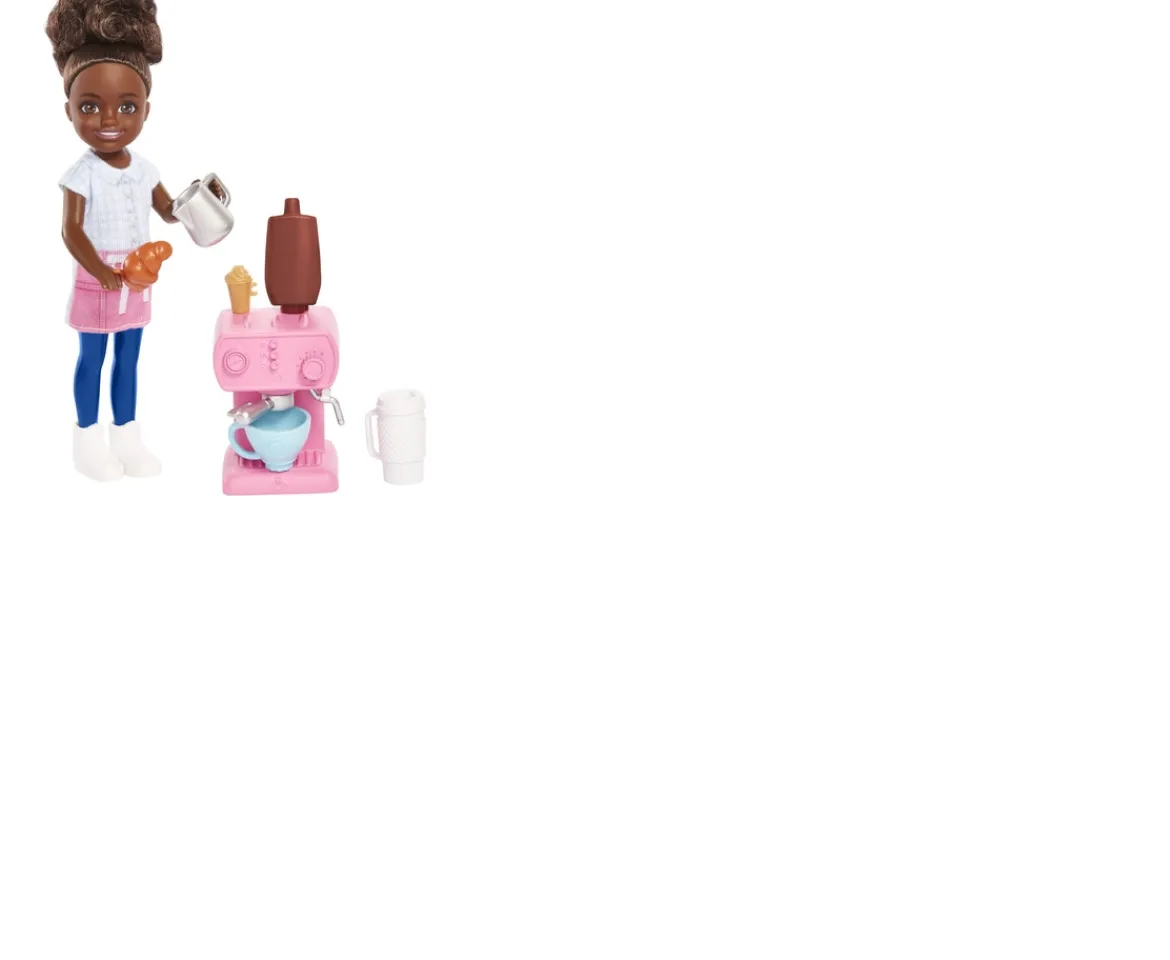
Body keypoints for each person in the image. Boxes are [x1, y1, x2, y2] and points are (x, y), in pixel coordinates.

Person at [46, 0, 222, 481]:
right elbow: (70, 230)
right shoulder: (81, 174)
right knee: (92, 357)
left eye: (126, 107)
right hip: (98, 278)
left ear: (146, 109)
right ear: (69, 111)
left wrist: (200, 198)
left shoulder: (145, 170)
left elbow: (167, 211)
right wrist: (99, 271)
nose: (110, 120)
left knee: (129, 357)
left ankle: (126, 435)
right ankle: (87, 440)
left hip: (140, 278)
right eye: (89, 106)